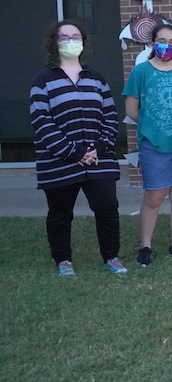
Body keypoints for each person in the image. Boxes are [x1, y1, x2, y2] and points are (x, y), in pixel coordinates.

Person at [31, 20, 126, 276]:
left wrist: (101, 147)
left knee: (107, 209)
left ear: (83, 42)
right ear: (54, 43)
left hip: (99, 160)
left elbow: (110, 116)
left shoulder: (97, 79)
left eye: (75, 36)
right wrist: (73, 152)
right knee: (60, 213)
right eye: (64, 37)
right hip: (59, 162)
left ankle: (112, 257)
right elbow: (42, 122)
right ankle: (63, 261)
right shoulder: (43, 80)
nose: (70, 41)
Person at [123, 23, 172, 266]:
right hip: (154, 144)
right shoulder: (141, 72)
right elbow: (131, 109)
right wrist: (154, 125)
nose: (166, 46)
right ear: (152, 42)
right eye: (161, 40)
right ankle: (145, 246)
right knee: (154, 196)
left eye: (171, 41)